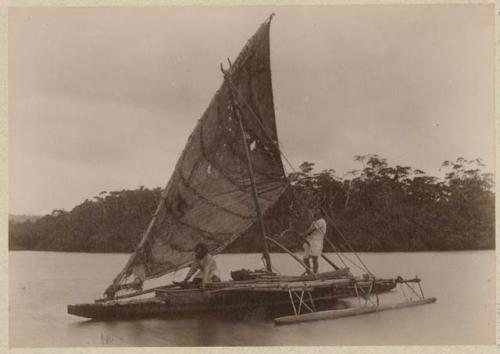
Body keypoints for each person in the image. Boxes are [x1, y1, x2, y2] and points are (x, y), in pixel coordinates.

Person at [301, 209, 327, 274]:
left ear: (321, 214)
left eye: (317, 212)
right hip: (309, 241)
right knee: (305, 258)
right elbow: (309, 230)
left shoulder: (321, 221)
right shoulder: (315, 222)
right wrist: (304, 235)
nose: (315, 213)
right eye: (316, 211)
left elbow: (312, 230)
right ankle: (309, 273)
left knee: (314, 258)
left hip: (316, 241)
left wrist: (304, 234)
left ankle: (315, 273)